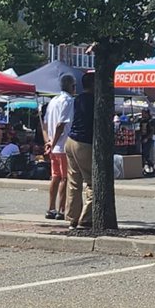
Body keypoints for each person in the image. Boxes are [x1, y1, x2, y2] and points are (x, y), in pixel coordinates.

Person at [64, 71, 95, 230]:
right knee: (92, 182)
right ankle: (86, 218)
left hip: (70, 140)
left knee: (74, 181)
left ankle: (72, 218)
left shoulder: (78, 99)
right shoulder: (95, 100)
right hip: (84, 142)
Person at [41, 76, 75, 220]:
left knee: (55, 177)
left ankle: (50, 207)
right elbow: (61, 125)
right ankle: (61, 210)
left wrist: (48, 142)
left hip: (53, 145)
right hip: (62, 144)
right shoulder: (68, 101)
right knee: (64, 178)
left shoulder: (53, 101)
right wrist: (53, 143)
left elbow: (45, 124)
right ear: (71, 86)